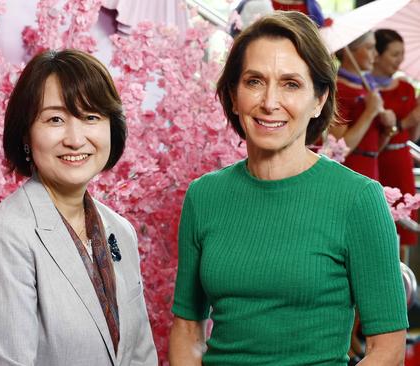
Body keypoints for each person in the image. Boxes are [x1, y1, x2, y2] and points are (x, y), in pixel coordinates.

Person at [169, 12, 407, 365]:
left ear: (319, 100)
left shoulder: (358, 199)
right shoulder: (203, 196)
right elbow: (187, 328)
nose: (269, 101)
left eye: (291, 84)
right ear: (233, 96)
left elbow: (387, 349)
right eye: (254, 81)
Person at [0, 49, 157, 366]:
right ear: (26, 133)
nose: (75, 138)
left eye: (91, 117)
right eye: (55, 119)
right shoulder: (6, 237)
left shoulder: (120, 232)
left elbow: (140, 355)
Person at [372, 28, 420, 249]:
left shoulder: (407, 88)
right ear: (377, 55)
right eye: (393, 54)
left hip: (402, 161)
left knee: (404, 228)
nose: (399, 60)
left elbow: (413, 136)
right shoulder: (367, 90)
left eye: (402, 53)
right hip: (378, 162)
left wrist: (416, 119)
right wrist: (403, 123)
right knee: (376, 227)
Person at [329, 31, 397, 180]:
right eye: (370, 47)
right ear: (349, 51)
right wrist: (370, 112)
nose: (376, 54)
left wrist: (388, 128)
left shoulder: (369, 88)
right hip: (349, 171)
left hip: (370, 167)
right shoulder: (338, 89)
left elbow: (375, 148)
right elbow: (339, 149)